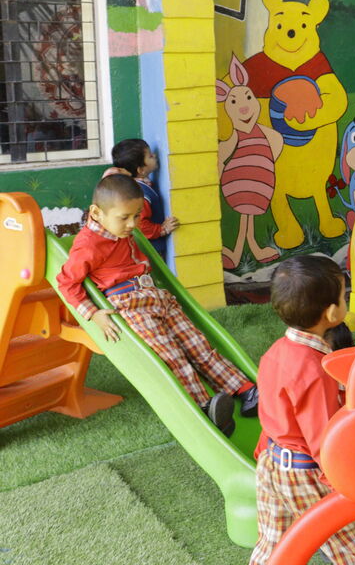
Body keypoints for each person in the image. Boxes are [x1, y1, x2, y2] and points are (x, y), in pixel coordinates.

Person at [56, 174, 256, 435]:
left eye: (137, 216)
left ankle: (245, 390)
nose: (132, 224)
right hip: (130, 305)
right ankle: (204, 408)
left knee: (198, 345)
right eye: (124, 217)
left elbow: (138, 235)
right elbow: (66, 282)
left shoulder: (120, 228)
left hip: (156, 297)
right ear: (96, 213)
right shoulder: (88, 245)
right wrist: (93, 314)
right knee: (172, 356)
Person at [249, 256, 355, 565]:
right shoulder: (315, 369)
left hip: (273, 464)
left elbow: (271, 416)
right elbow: (324, 439)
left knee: (275, 545)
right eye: (343, 296)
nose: (345, 301)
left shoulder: (276, 351)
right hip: (306, 474)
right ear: (331, 312)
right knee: (353, 547)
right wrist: (347, 483)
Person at [109, 138, 179, 257]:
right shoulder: (140, 195)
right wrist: (162, 229)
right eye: (150, 156)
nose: (155, 156)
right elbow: (140, 225)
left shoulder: (138, 185)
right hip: (152, 252)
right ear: (141, 170)